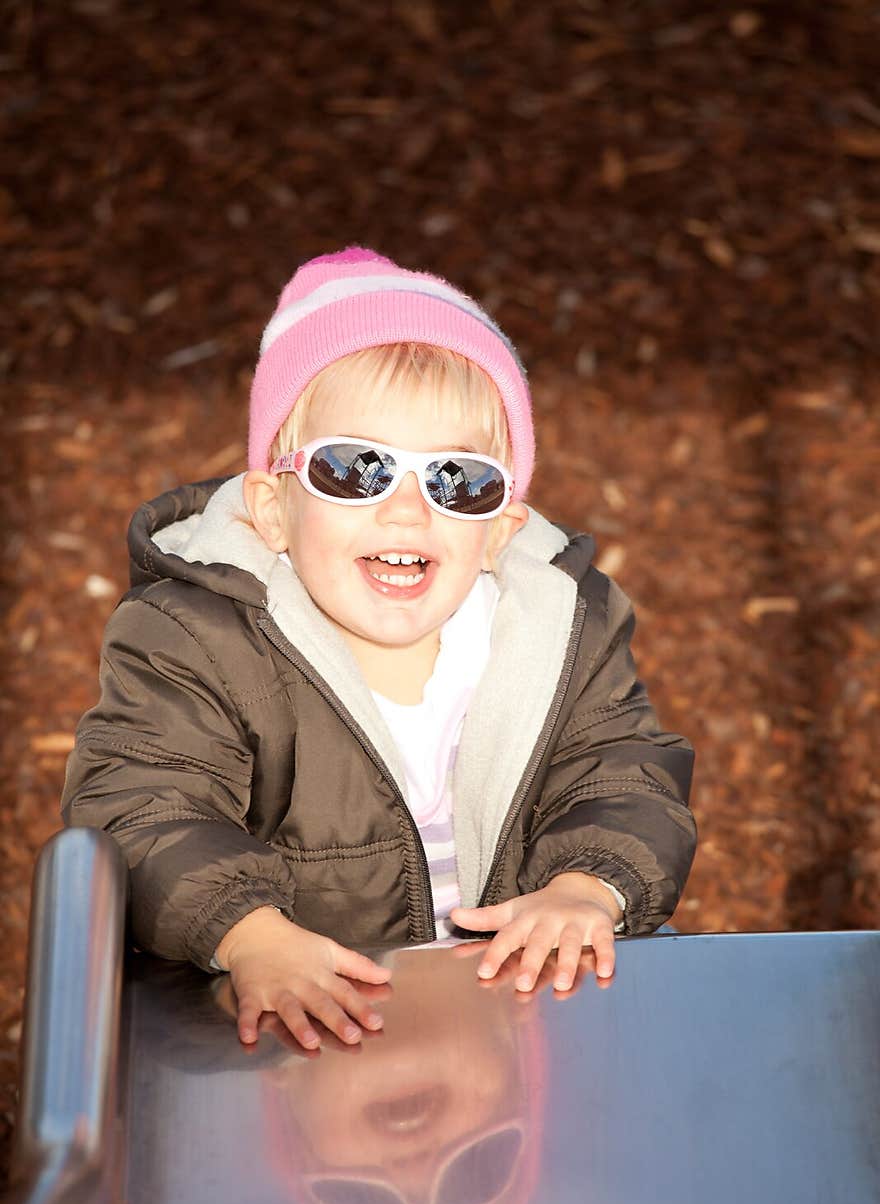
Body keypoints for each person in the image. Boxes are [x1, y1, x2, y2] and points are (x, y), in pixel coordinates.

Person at [62, 246, 697, 1050]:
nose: (406, 513)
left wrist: (584, 887)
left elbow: (622, 769)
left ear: (501, 528)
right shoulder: (200, 636)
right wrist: (250, 935)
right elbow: (141, 802)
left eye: (457, 480)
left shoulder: (559, 629)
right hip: (292, 1025)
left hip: (516, 1020)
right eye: (355, 470)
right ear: (272, 509)